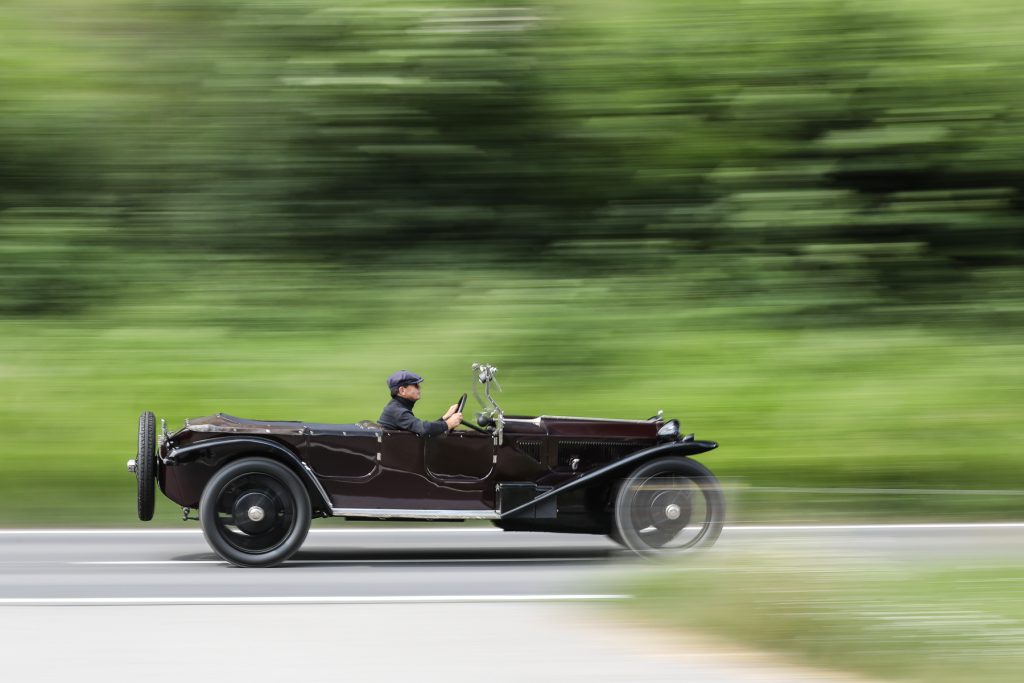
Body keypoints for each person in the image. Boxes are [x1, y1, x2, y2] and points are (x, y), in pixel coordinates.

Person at [378, 370, 462, 435]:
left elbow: (420, 428)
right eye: (416, 385)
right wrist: (448, 424)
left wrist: (445, 418)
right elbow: (423, 429)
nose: (419, 388)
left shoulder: (397, 407)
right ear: (402, 390)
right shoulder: (397, 411)